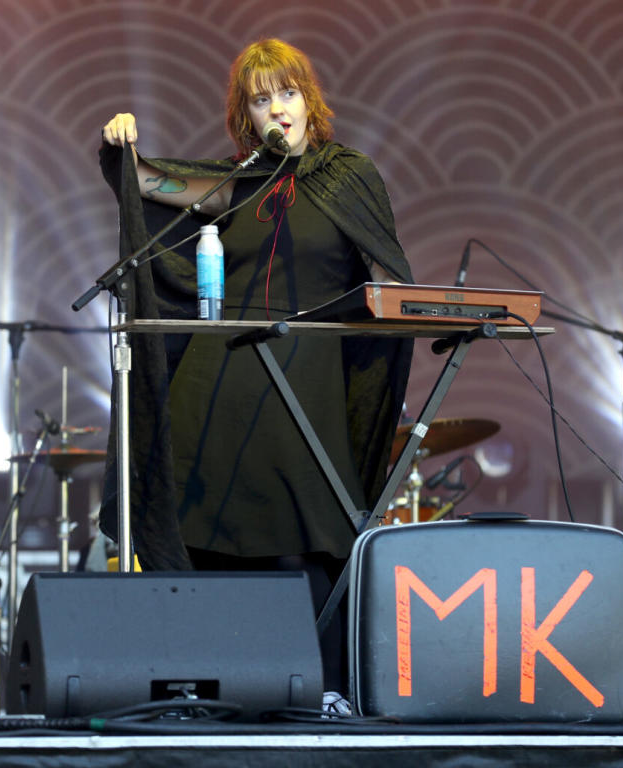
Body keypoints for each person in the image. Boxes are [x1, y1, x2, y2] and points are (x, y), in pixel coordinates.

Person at [97, 38, 413, 692]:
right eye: (262, 99)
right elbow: (149, 184)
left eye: (287, 92)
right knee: (203, 540)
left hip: (307, 387)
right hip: (215, 386)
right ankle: (204, 692)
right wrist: (118, 149)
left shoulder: (350, 174)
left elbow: (387, 278)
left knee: (314, 544)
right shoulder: (232, 184)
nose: (279, 109)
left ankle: (323, 697)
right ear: (248, 115)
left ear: (309, 98)